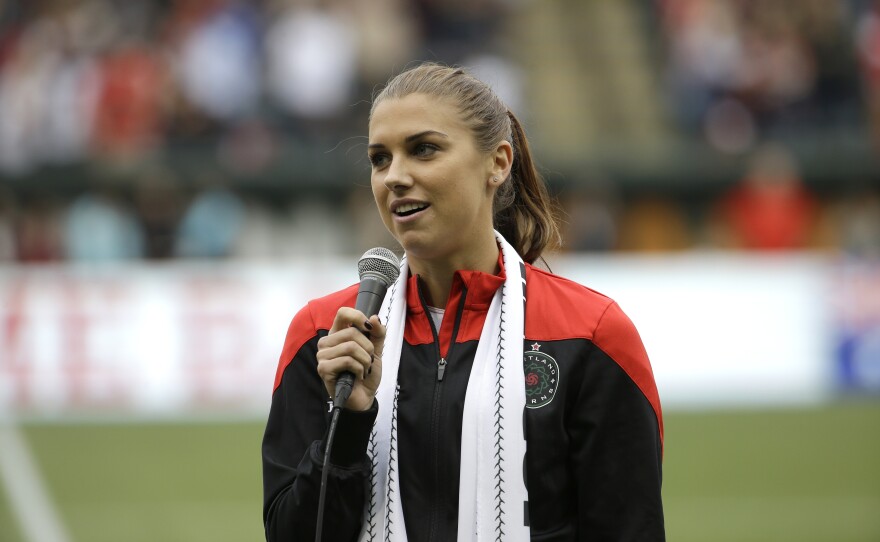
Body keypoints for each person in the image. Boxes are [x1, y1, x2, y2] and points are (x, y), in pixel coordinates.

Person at [262, 63, 665, 541]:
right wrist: (348, 422)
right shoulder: (326, 335)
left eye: (423, 149)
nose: (395, 177)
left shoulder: (591, 333)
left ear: (498, 163)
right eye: (379, 158)